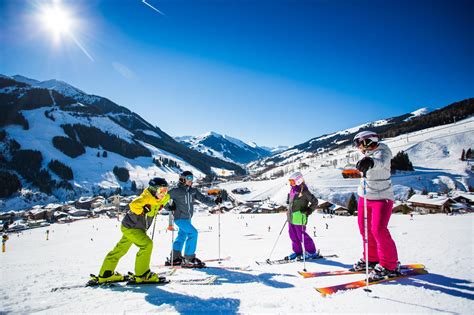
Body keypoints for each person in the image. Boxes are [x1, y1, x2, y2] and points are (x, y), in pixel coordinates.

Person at [93, 177, 170, 284]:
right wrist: (142, 209)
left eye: (165, 190)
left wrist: (169, 204)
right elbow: (133, 205)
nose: (164, 193)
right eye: (161, 190)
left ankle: (106, 273)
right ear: (153, 189)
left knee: (120, 249)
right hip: (132, 227)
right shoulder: (146, 198)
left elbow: (166, 198)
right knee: (146, 244)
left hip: (131, 227)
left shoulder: (159, 198)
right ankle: (142, 275)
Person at [352, 131, 400, 281]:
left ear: (367, 141)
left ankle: (390, 265)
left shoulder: (383, 151)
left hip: (382, 198)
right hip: (365, 197)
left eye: (359, 143)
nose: (358, 147)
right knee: (364, 229)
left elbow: (380, 162)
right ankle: (371, 259)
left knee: (378, 230)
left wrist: (370, 162)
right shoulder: (365, 153)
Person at [166, 171, 223, 268]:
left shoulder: (193, 191)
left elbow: (204, 199)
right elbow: (162, 199)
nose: (191, 181)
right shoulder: (175, 191)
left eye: (192, 178)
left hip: (188, 219)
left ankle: (175, 258)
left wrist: (215, 202)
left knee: (182, 236)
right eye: (188, 178)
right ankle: (189, 259)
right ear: (182, 179)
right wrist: (168, 207)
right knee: (193, 233)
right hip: (179, 218)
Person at [285, 172, 319, 260]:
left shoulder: (304, 191)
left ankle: (312, 252)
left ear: (298, 181)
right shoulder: (292, 190)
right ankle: (297, 251)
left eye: (292, 181)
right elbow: (291, 202)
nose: (290, 183)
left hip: (300, 216)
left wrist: (308, 211)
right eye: (290, 181)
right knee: (292, 235)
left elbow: (315, 202)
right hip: (291, 217)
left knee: (302, 236)